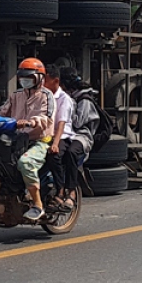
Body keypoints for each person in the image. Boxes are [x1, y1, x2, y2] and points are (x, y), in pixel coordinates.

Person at [0, 57, 55, 221]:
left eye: (30, 78)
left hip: (40, 140)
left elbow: (46, 117)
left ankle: (38, 205)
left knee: (25, 163)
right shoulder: (16, 95)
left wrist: (32, 121)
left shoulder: (46, 96)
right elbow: (1, 113)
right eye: (23, 78)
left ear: (40, 78)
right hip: (17, 139)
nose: (26, 81)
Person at [54, 67, 98, 210]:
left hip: (81, 135)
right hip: (67, 133)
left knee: (71, 152)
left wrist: (68, 107)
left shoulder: (84, 99)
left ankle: (71, 191)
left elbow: (78, 123)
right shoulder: (64, 96)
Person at [41, 64, 74, 209]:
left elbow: (61, 124)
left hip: (61, 136)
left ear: (55, 81)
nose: (42, 84)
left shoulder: (64, 99)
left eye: (45, 81)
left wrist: (55, 143)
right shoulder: (41, 96)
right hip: (43, 136)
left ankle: (60, 191)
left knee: (53, 155)